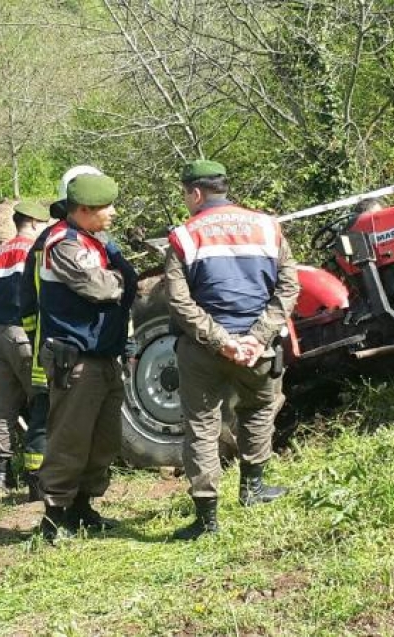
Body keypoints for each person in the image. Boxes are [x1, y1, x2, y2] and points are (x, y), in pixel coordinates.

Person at [165, 159, 299, 540]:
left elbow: (178, 301)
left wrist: (221, 342)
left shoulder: (184, 236)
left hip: (203, 351)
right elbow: (288, 287)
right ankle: (253, 489)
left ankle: (207, 518)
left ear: (195, 192)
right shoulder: (267, 226)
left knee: (202, 426)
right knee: (258, 410)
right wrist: (258, 337)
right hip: (260, 349)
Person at [35, 172, 137, 541]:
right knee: (70, 439)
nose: (112, 212)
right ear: (82, 210)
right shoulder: (64, 243)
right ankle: (54, 517)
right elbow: (99, 287)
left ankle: (83, 507)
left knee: (102, 439)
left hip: (103, 356)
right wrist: (125, 282)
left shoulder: (94, 240)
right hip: (76, 358)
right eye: (105, 207)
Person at [0, 200, 49, 497]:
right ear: (36, 223)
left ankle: (1, 474)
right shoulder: (35, 252)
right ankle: (37, 478)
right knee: (41, 401)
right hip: (25, 332)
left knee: (3, 405)